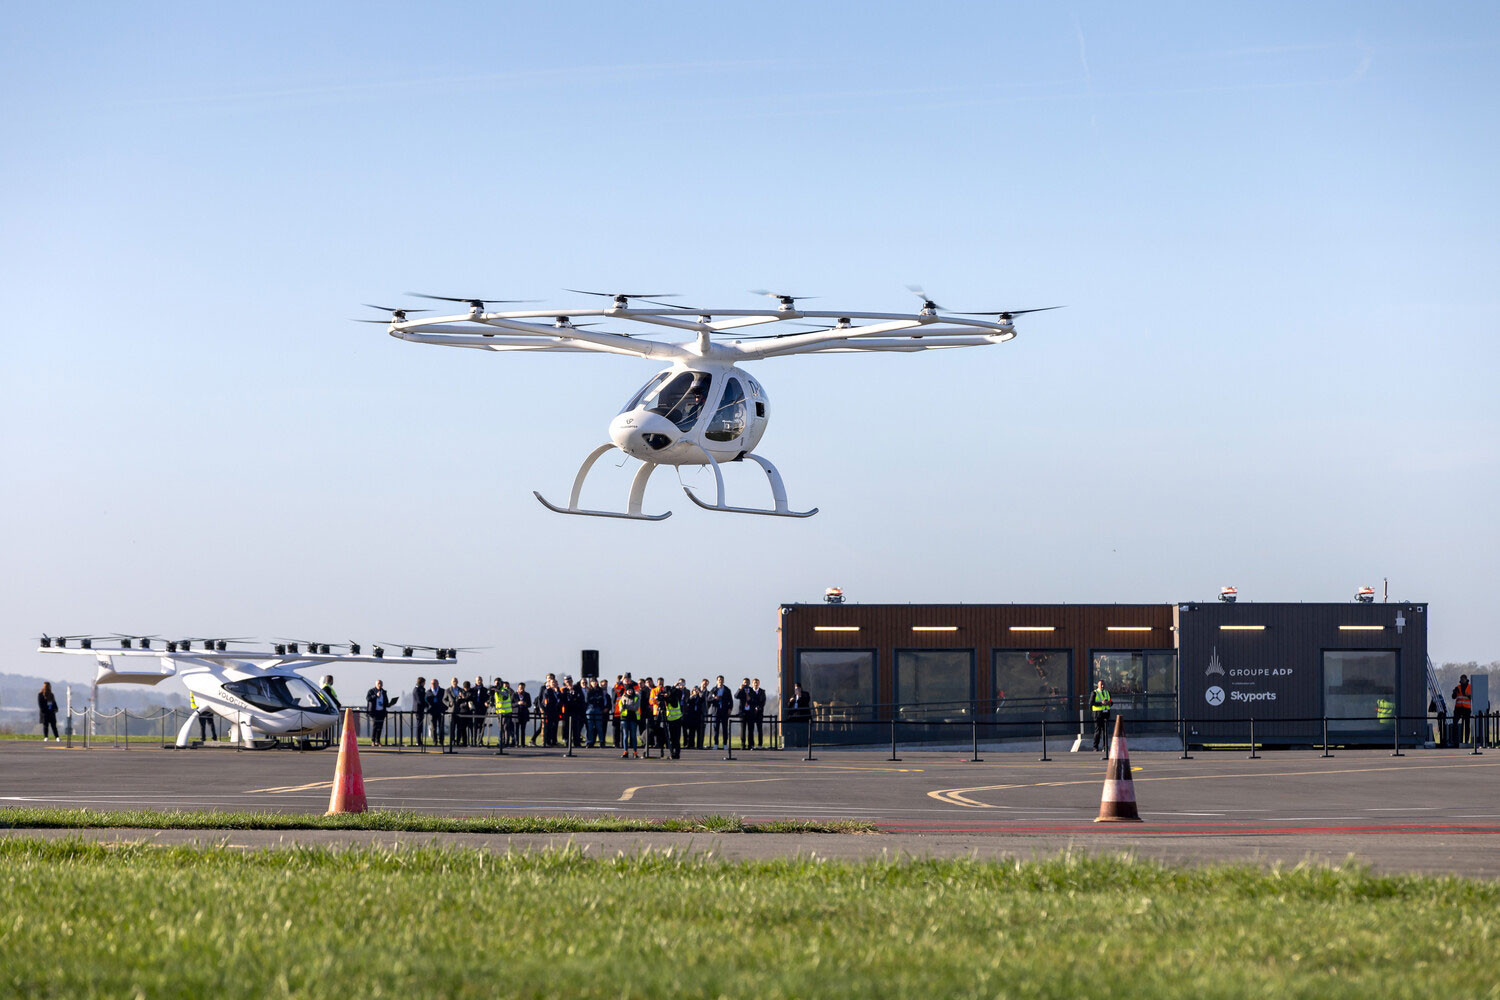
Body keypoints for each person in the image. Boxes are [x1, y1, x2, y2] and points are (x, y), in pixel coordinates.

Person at [365, 680, 397, 745]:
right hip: (374, 711)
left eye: (381, 684)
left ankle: (378, 741)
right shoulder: (371, 691)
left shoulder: (384, 692)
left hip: (382, 711)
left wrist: (390, 704)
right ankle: (373, 741)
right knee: (375, 726)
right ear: (376, 684)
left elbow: (386, 701)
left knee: (380, 726)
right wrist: (376, 695)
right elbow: (368, 699)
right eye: (378, 684)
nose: (380, 685)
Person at [618, 683, 641, 758]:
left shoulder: (636, 697)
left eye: (631, 690)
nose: (630, 691)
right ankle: (625, 751)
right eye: (628, 690)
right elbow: (620, 710)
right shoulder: (623, 697)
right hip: (624, 718)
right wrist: (622, 707)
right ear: (626, 691)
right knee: (625, 736)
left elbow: (635, 708)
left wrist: (626, 706)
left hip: (633, 718)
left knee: (633, 736)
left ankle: (635, 752)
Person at [1090, 680, 1113, 753]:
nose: (1102, 686)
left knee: (1105, 731)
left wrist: (1109, 703)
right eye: (1101, 685)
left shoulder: (1107, 692)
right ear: (1098, 685)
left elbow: (1111, 701)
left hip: (1106, 714)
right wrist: (1101, 703)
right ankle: (1095, 747)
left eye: (1103, 684)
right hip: (1098, 714)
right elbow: (1091, 703)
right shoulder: (1094, 693)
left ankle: (1105, 747)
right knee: (1098, 731)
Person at [662, 685, 684, 759]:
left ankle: (676, 754)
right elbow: (659, 697)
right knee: (672, 738)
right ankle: (673, 753)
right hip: (670, 720)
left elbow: (672, 699)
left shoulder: (674, 698)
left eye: (667, 692)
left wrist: (673, 687)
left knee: (676, 738)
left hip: (677, 720)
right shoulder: (667, 698)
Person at [711, 676, 733, 749]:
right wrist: (714, 698)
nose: (720, 681)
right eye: (719, 680)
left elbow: (731, 700)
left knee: (725, 728)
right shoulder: (713, 689)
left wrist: (730, 709)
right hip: (716, 711)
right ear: (717, 681)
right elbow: (708, 699)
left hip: (724, 711)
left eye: (722, 680)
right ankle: (716, 744)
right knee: (716, 728)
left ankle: (725, 744)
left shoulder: (727, 690)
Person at [585, 679, 608, 748]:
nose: (594, 683)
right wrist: (596, 699)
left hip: (598, 709)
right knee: (590, 727)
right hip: (590, 709)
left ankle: (601, 741)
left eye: (595, 682)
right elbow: (587, 700)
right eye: (592, 682)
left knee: (599, 727)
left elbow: (601, 699)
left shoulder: (600, 690)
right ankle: (590, 741)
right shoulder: (589, 690)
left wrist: (595, 699)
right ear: (590, 683)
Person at [540, 679, 562, 747]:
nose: (554, 684)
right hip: (549, 712)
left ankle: (554, 741)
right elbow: (549, 701)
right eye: (553, 683)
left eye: (556, 682)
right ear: (549, 683)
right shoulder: (548, 691)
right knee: (548, 727)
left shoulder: (557, 691)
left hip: (556, 712)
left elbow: (561, 699)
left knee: (555, 727)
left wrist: (557, 692)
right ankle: (547, 741)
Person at [493, 679, 515, 748]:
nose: (497, 685)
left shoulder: (504, 690)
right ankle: (501, 742)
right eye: (496, 684)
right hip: (499, 712)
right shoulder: (495, 692)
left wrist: (497, 690)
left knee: (505, 727)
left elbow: (505, 695)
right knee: (500, 728)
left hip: (506, 712)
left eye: (498, 683)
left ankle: (506, 742)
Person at [1453, 674, 1473, 746]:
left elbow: (1473, 698)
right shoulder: (1457, 687)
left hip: (1466, 709)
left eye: (1463, 680)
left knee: (1467, 725)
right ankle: (1456, 740)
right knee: (1455, 723)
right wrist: (1454, 692)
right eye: (1461, 680)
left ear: (1466, 680)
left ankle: (1466, 740)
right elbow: (1453, 697)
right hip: (1458, 708)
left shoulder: (1470, 687)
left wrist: (1468, 696)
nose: (1462, 681)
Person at [427, 678, 446, 746]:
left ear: (437, 684)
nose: (433, 685)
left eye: (434, 683)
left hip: (440, 711)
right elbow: (426, 702)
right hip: (432, 712)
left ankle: (441, 741)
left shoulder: (442, 691)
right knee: (433, 727)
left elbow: (445, 700)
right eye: (432, 683)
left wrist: (444, 709)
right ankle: (435, 741)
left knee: (441, 727)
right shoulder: (428, 692)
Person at [736, 678, 754, 749]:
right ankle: (743, 744)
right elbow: (736, 696)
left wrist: (749, 698)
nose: (746, 684)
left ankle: (750, 744)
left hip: (750, 712)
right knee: (743, 729)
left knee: (750, 729)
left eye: (747, 682)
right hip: (743, 712)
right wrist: (739, 689)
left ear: (749, 683)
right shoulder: (741, 690)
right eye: (744, 682)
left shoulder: (752, 690)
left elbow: (754, 700)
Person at [749, 678, 767, 748]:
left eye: (757, 683)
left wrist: (758, 708)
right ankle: (752, 744)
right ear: (752, 684)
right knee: (751, 729)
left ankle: (760, 744)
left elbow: (763, 701)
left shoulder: (762, 691)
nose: (755, 684)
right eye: (754, 683)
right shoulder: (749, 691)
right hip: (751, 713)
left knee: (759, 729)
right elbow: (749, 701)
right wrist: (753, 708)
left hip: (759, 713)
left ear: (759, 684)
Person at [411, 677, 428, 747]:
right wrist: (426, 705)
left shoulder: (419, 689)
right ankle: (418, 741)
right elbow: (419, 700)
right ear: (422, 682)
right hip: (418, 709)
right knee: (419, 725)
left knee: (420, 726)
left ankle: (419, 740)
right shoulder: (417, 689)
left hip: (420, 709)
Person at [514, 682, 532, 746]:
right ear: (518, 687)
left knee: (523, 730)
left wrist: (525, 704)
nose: (521, 689)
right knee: (516, 730)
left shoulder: (527, 694)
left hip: (524, 714)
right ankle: (516, 743)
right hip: (516, 714)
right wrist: (517, 703)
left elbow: (530, 704)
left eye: (522, 688)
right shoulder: (514, 694)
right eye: (520, 688)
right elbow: (511, 704)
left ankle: (523, 743)